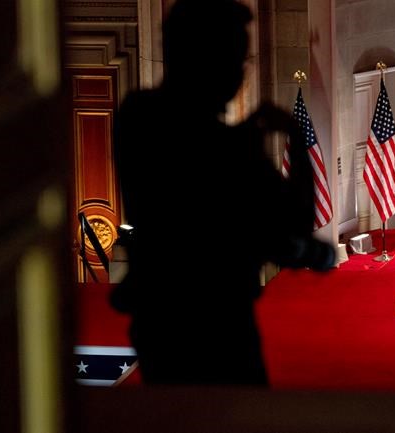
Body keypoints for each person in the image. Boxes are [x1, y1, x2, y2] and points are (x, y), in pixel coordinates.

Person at [109, 0, 336, 386]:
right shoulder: (232, 152)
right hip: (221, 334)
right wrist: (294, 138)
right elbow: (293, 227)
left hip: (158, 326)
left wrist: (242, 137)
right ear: (211, 64)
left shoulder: (136, 116)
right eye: (237, 60)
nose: (241, 73)